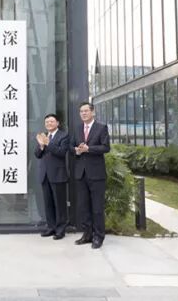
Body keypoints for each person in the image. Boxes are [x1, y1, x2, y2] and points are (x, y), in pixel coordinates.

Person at [70, 101, 111, 249]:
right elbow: (71, 146)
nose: (83, 113)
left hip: (96, 174)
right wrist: (76, 150)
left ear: (92, 112)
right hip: (81, 173)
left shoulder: (101, 127)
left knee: (97, 208)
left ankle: (98, 236)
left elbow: (106, 147)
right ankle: (87, 235)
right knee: (84, 206)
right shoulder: (77, 128)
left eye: (86, 111)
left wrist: (89, 149)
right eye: (81, 111)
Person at [34, 113, 70, 240]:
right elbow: (37, 154)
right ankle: (51, 227)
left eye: (51, 121)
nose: (49, 124)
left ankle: (60, 230)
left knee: (59, 204)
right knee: (48, 203)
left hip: (58, 175)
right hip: (45, 175)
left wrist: (48, 143)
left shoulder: (63, 135)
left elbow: (61, 152)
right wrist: (41, 145)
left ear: (57, 123)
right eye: (47, 122)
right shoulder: (43, 136)